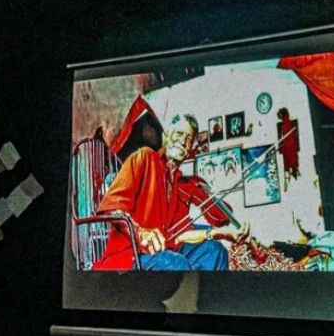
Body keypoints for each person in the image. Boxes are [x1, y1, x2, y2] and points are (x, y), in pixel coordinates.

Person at [94, 112, 250, 271]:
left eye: (188, 139)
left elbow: (215, 221)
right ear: (166, 136)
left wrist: (220, 231)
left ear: (190, 149)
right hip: (131, 255)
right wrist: (141, 233)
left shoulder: (181, 184)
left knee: (215, 252)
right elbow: (112, 208)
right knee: (175, 263)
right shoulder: (144, 158)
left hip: (166, 251)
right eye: (179, 134)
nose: (182, 141)